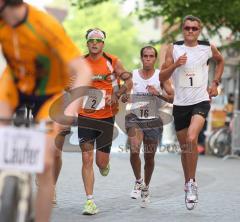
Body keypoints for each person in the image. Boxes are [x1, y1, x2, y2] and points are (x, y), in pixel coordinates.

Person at [0, 1, 92, 221]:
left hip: (48, 93)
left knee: (45, 161)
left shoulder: (44, 25)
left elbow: (83, 70)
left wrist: (71, 109)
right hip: (14, 85)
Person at [160, 15, 224, 206]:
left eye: (194, 28)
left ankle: (192, 182)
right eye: (187, 28)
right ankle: (188, 182)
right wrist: (175, 65)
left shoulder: (207, 47)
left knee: (190, 138)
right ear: (183, 29)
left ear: (199, 30)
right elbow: (162, 75)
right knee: (185, 148)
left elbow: (220, 62)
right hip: (180, 104)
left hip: (201, 101)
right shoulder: (174, 48)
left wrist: (215, 83)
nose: (190, 31)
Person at [77, 28, 132, 215]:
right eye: (91, 40)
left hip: (106, 117)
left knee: (100, 162)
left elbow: (128, 81)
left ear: (103, 44)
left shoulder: (113, 62)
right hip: (85, 115)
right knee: (86, 157)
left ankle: (105, 165)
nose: (94, 43)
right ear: (87, 43)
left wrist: (117, 94)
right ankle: (89, 201)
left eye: (98, 40)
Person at [125, 46, 173, 207]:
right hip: (135, 118)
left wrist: (157, 94)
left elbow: (172, 97)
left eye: (151, 56)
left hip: (153, 120)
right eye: (145, 56)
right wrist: (124, 96)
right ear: (141, 58)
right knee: (134, 148)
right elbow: (124, 91)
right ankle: (138, 181)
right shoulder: (133, 75)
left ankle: (146, 187)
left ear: (155, 58)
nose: (148, 59)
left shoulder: (161, 76)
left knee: (149, 158)